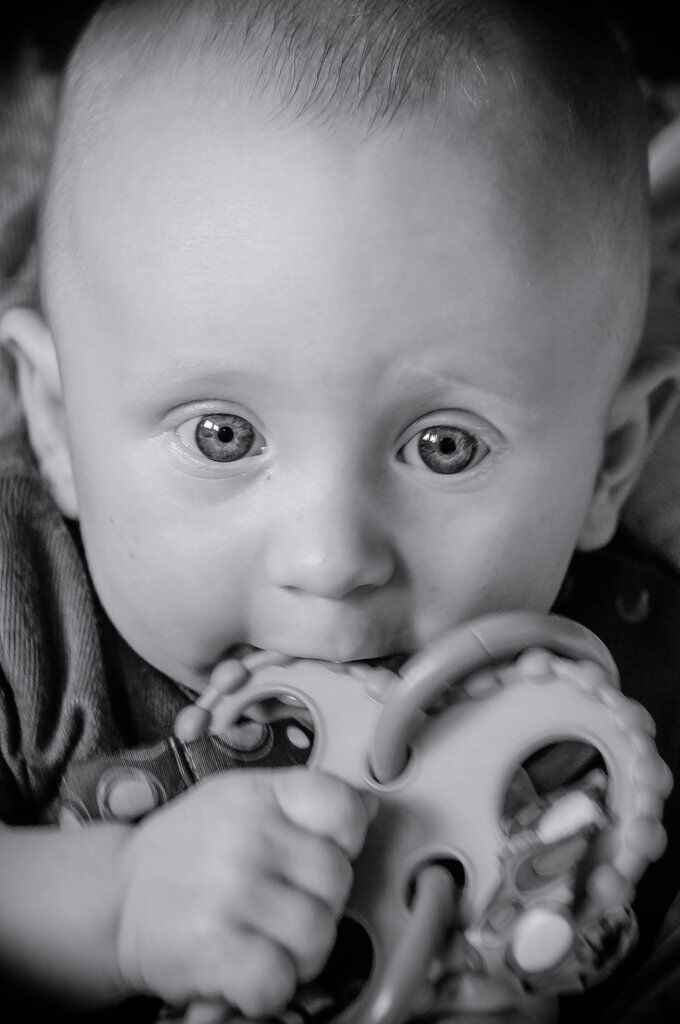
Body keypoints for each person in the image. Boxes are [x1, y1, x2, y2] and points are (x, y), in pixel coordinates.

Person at [1, 0, 680, 1020]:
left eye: (444, 447)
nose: (330, 557)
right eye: (221, 435)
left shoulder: (631, 692)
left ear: (609, 462)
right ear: (55, 424)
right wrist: (112, 903)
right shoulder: (27, 615)